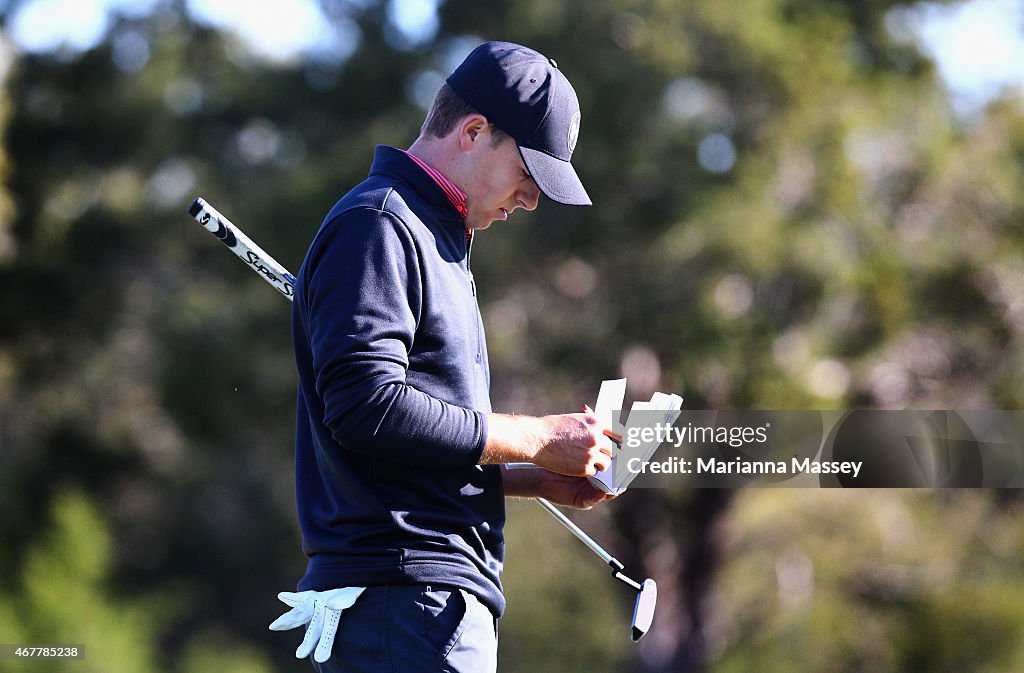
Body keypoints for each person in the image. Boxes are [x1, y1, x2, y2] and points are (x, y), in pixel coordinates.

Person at [272, 41, 617, 673]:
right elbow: (368, 410)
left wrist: (527, 477)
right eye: (528, 174)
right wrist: (536, 436)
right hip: (403, 607)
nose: (532, 200)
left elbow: (399, 456)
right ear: (474, 131)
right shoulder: (378, 226)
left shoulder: (435, 239)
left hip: (416, 608)